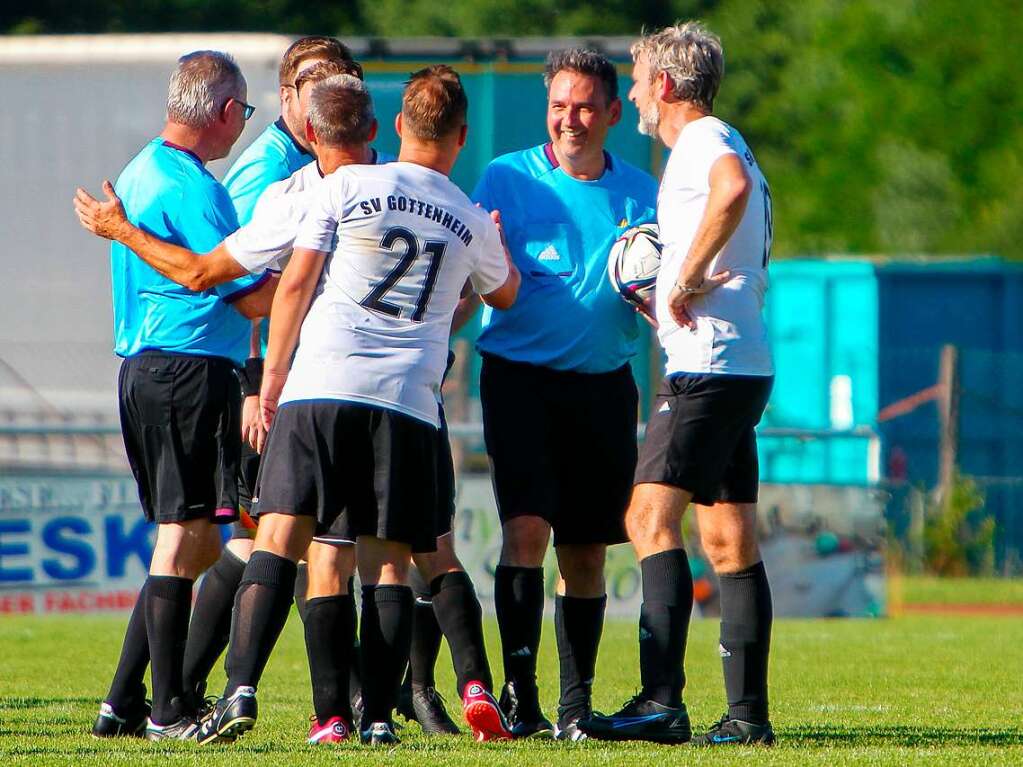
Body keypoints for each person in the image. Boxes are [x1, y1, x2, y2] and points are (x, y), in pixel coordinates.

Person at [76, 71, 510, 745]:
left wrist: (266, 379)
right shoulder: (465, 213)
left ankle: (247, 690)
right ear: (452, 134)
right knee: (393, 561)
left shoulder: (329, 189)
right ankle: (383, 717)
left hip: (318, 386)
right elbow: (500, 292)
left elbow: (223, 277)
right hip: (408, 400)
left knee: (276, 540)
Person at [579, 22, 776, 747]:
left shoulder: (701, 143)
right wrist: (668, 287)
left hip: (707, 366)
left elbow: (726, 191)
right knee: (727, 541)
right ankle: (747, 715)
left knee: (645, 521)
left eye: (634, 81)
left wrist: (686, 275)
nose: (631, 93)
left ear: (664, 85)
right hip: (740, 358)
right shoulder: (732, 140)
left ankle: (660, 700)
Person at [86, 50, 277, 742]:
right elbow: (238, 289)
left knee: (192, 539)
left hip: (152, 369)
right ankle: (167, 708)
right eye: (244, 112)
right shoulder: (192, 187)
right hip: (187, 370)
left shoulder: (144, 167)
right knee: (186, 537)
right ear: (226, 113)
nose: (242, 127)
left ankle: (123, 701)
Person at [470, 48, 658, 741]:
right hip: (519, 381)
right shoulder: (505, 178)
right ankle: (521, 695)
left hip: (606, 388)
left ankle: (577, 708)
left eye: (583, 106)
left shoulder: (641, 190)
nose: (568, 119)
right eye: (558, 105)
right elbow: (477, 272)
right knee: (526, 532)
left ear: (613, 113)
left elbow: (657, 289)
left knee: (585, 550)